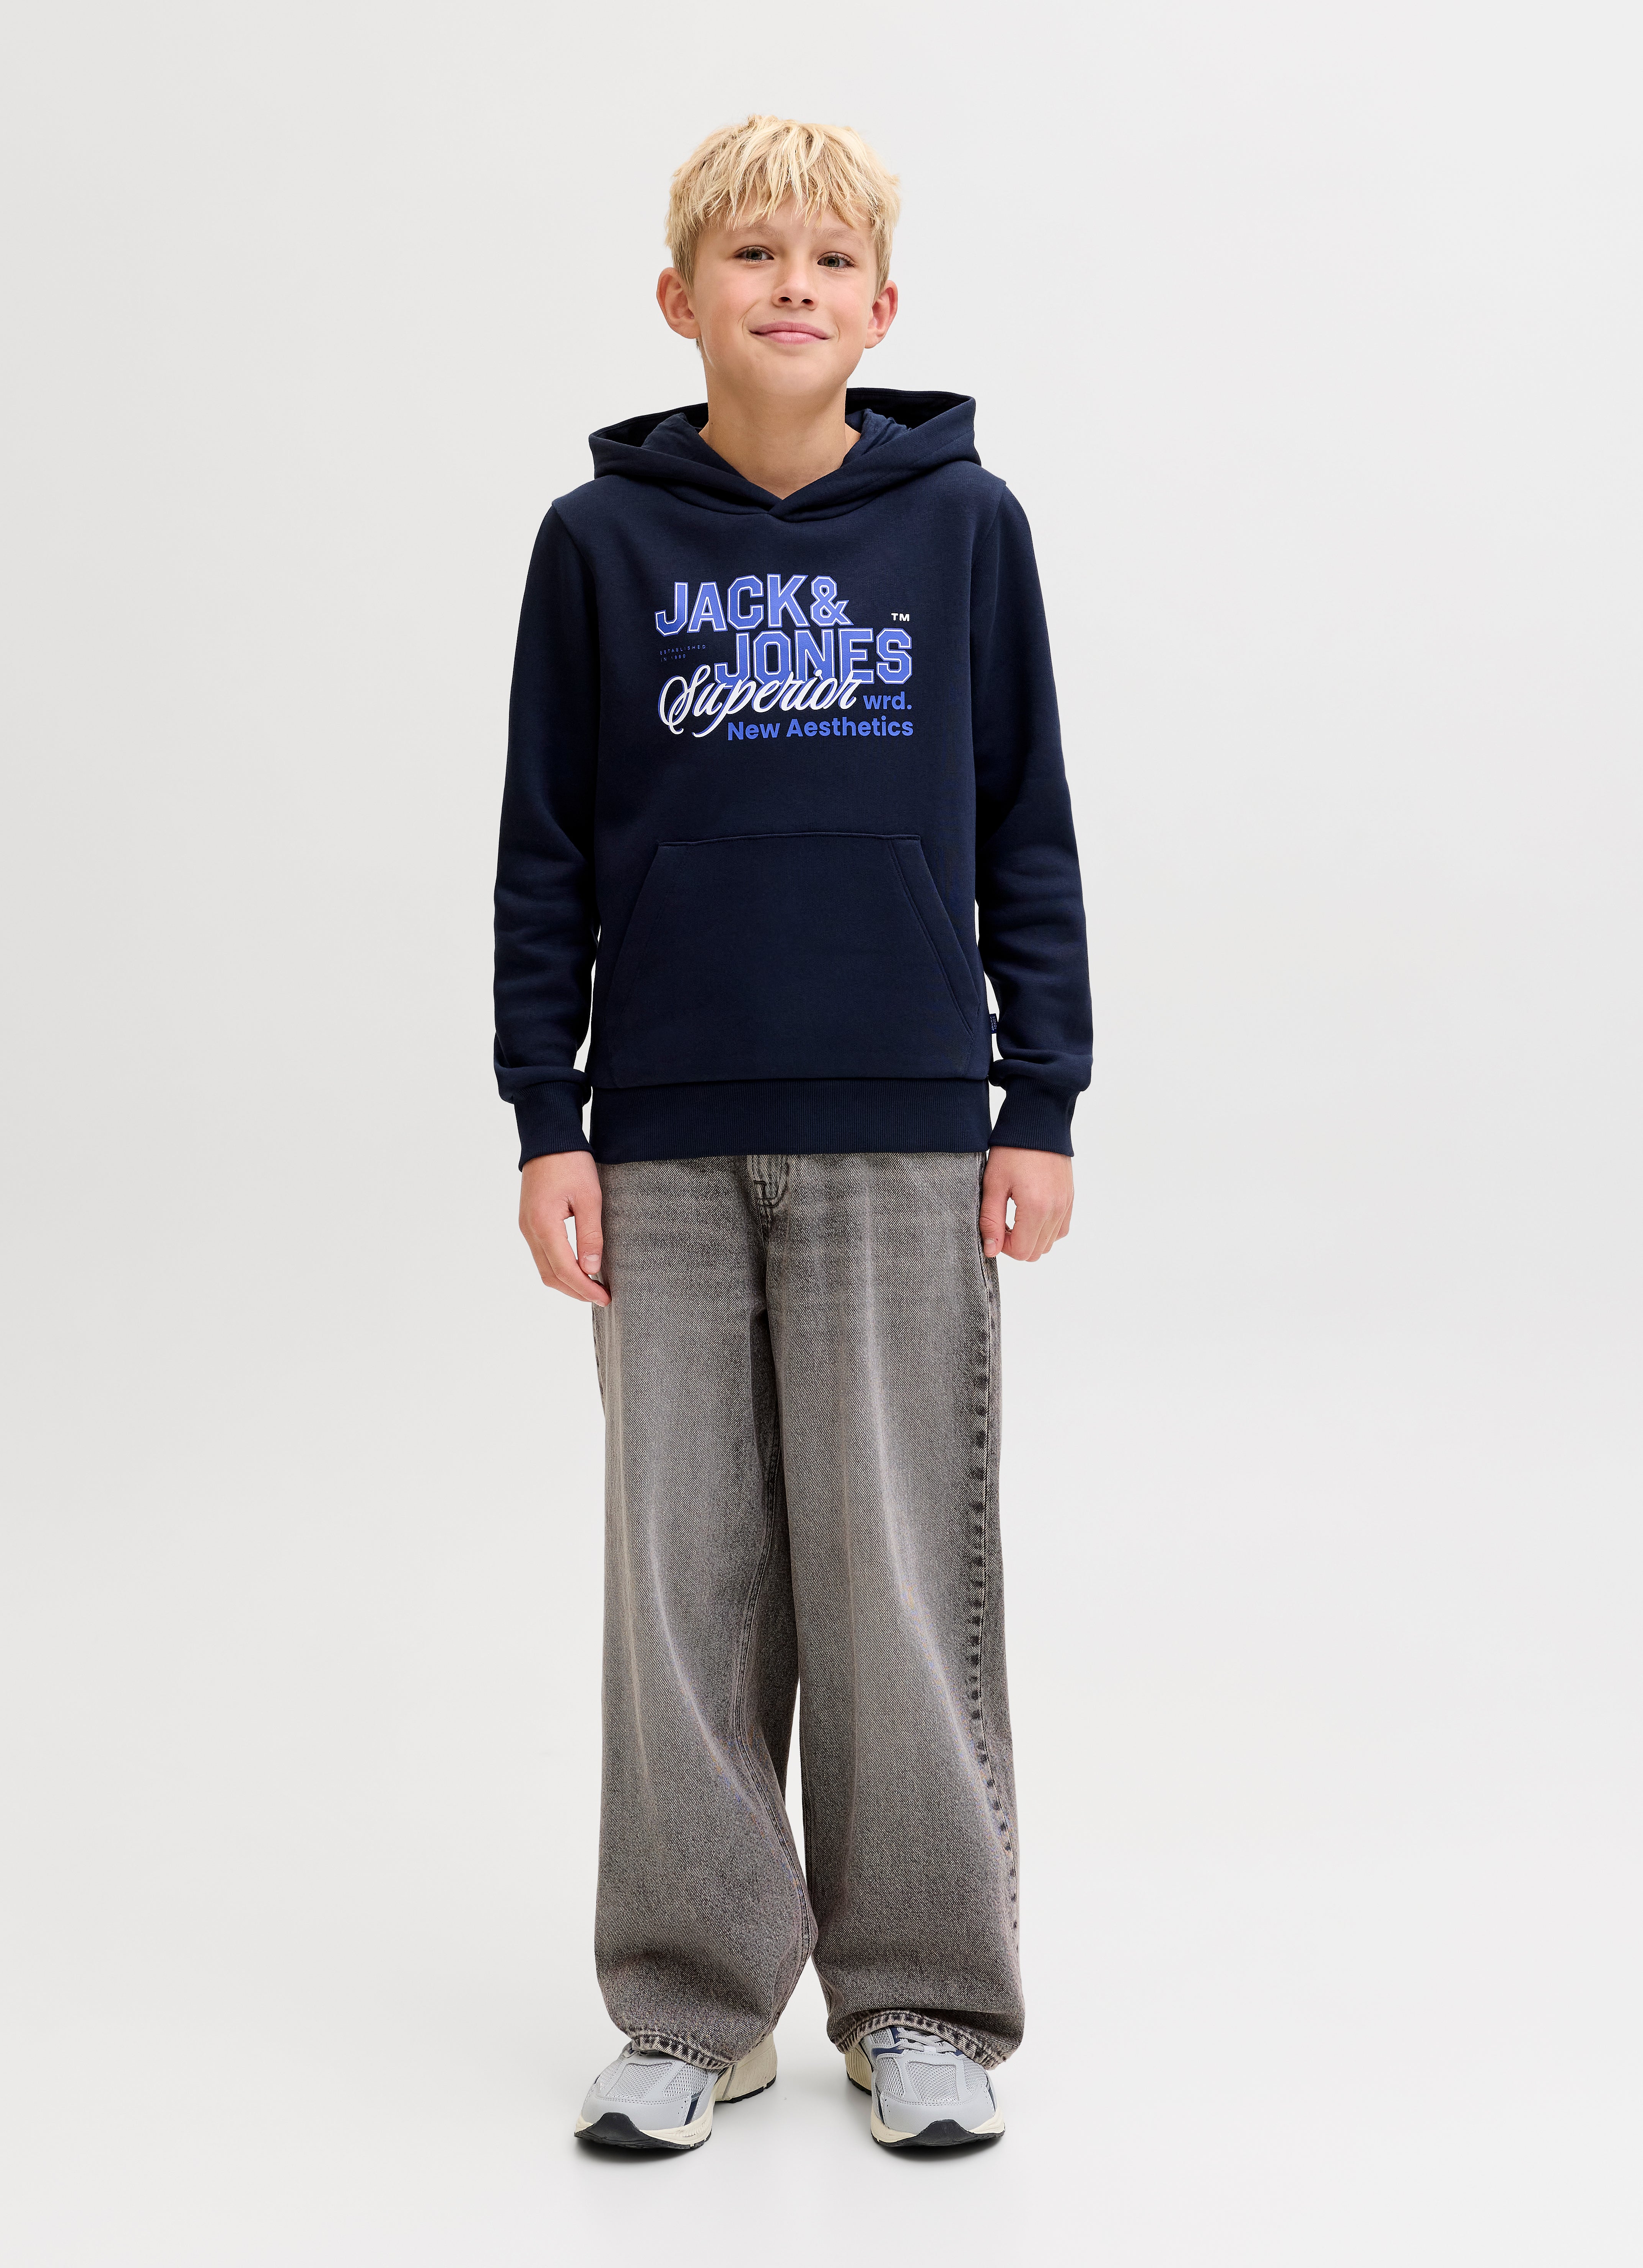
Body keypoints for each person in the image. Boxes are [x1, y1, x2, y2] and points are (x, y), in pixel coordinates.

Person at [493, 114, 1092, 2152]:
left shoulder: (965, 529)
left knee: (900, 1574)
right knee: (685, 1588)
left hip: (904, 1129)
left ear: (883, 309)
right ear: (681, 299)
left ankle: (924, 2001)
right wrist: (548, 1120)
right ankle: (694, 2006)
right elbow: (544, 853)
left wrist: (1039, 1097)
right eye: (754, 255)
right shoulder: (598, 546)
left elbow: (1027, 825)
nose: (794, 287)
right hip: (659, 1141)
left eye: (831, 259)